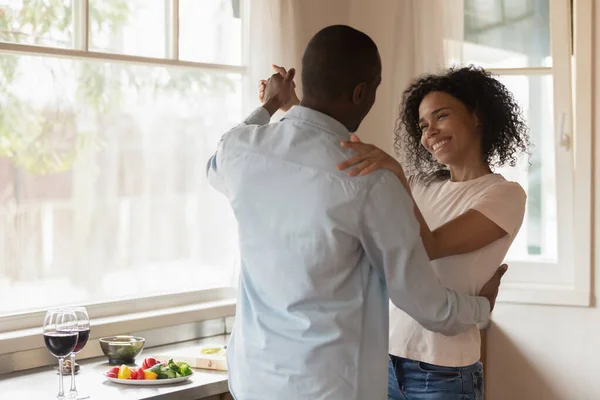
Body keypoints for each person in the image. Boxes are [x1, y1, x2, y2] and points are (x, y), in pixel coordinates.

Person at [207, 26, 506, 400]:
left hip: (254, 380)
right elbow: (425, 303)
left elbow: (215, 160)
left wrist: (271, 103)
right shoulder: (370, 180)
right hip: (329, 389)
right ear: (362, 92)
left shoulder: (240, 152)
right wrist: (482, 307)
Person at [335, 66, 529, 399]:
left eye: (441, 116)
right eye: (423, 125)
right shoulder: (421, 186)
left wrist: (395, 171)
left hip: (443, 370)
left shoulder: (505, 195)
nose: (430, 132)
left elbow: (428, 245)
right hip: (387, 356)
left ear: (477, 115)